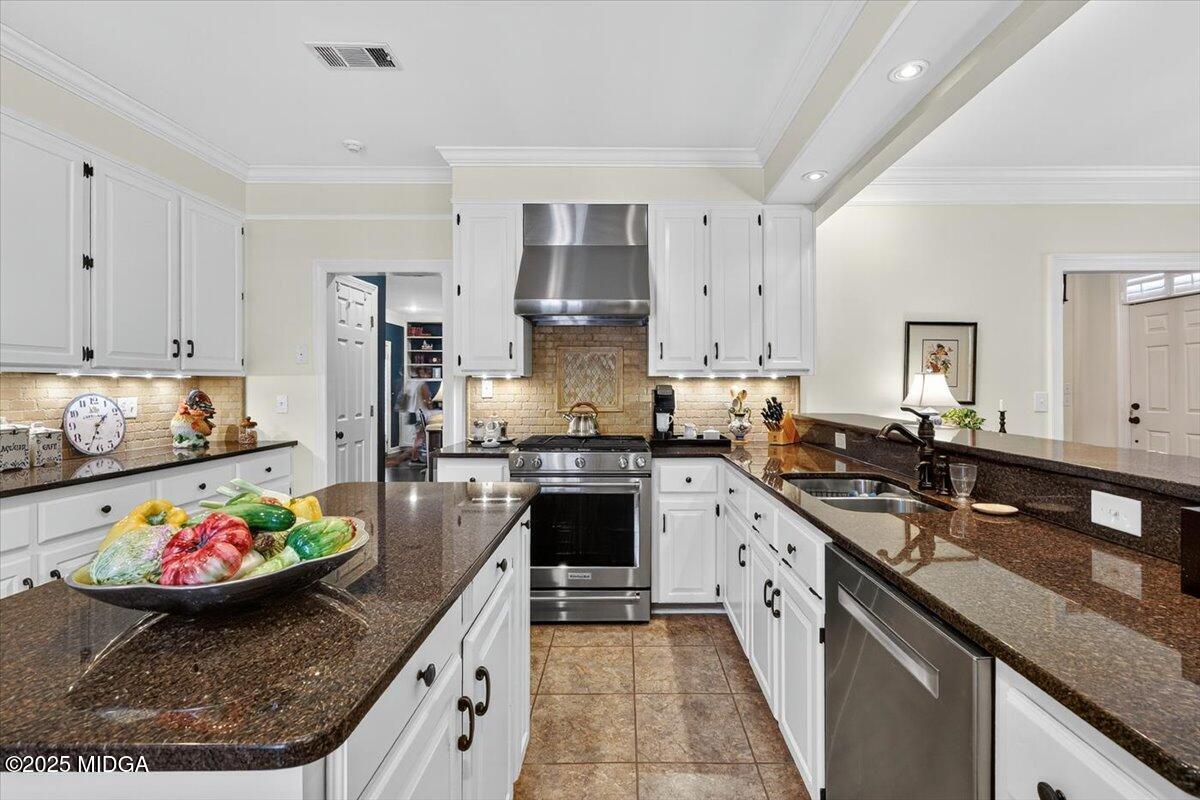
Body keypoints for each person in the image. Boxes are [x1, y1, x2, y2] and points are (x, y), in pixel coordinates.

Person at [404, 370, 435, 464]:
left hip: (414, 413)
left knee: (417, 436)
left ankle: (415, 457)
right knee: (420, 437)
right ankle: (415, 458)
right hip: (422, 414)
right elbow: (427, 401)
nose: (427, 374)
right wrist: (430, 405)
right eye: (425, 373)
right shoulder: (422, 385)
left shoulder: (411, 384)